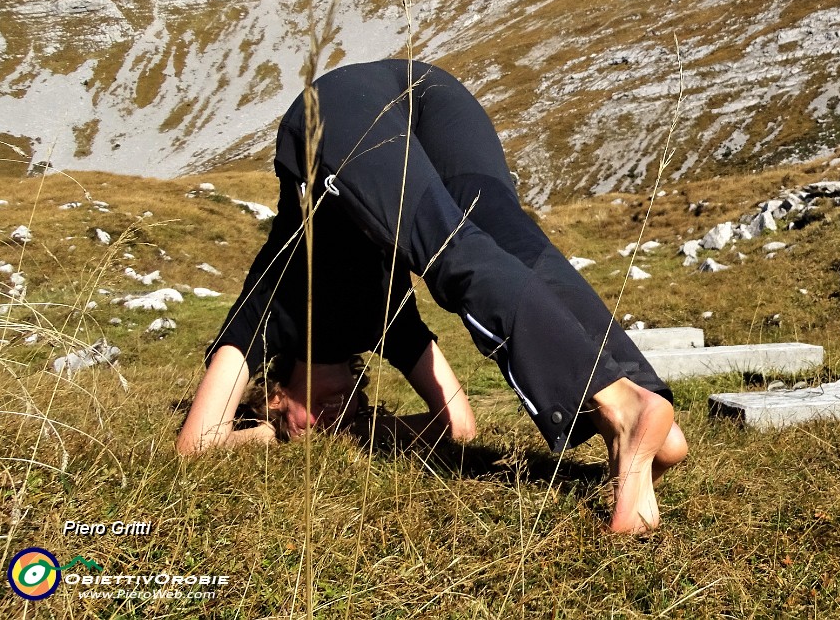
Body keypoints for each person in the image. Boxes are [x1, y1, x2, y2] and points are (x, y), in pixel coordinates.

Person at [177, 58, 687, 533]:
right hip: (445, 103)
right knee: (517, 247)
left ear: (275, 396)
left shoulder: (264, 315)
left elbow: (195, 448)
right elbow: (460, 426)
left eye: (322, 419)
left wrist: (270, 434)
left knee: (448, 248)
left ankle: (621, 407)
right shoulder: (383, 324)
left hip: (338, 108)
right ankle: (642, 407)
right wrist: (369, 431)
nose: (339, 419)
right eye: (351, 414)